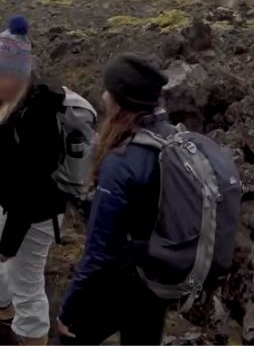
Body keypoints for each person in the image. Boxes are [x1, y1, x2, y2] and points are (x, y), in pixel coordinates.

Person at [57, 54, 173, 345]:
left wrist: (69, 309)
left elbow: (99, 253)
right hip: (157, 282)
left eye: (108, 90)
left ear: (120, 102)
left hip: (120, 281)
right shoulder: (172, 140)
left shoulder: (122, 163)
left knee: (70, 340)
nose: (103, 95)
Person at [0, 16, 66, 346]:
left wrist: (9, 244)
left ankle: (32, 337)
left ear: (18, 76)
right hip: (14, 198)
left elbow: (34, 181)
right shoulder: (1, 103)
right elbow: (6, 159)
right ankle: (2, 307)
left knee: (25, 281)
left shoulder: (40, 114)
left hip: (40, 209)